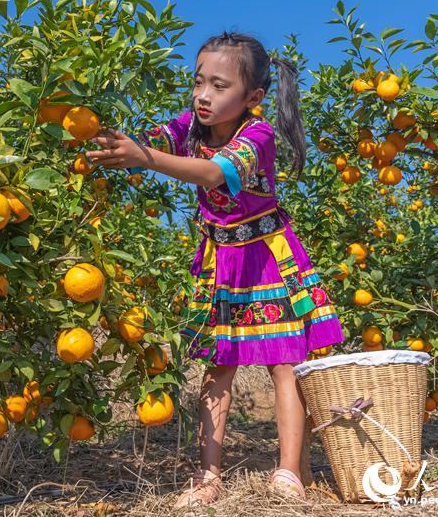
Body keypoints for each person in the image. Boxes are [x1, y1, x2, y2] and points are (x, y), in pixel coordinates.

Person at [85, 31, 345, 506]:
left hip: (267, 255)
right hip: (221, 259)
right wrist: (102, 136)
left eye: (219, 86)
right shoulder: (190, 127)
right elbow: (151, 141)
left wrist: (145, 158)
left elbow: (215, 173)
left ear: (253, 97)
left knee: (283, 361)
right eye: (199, 82)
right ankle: (208, 476)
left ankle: (289, 471)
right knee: (219, 363)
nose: (203, 95)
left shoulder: (257, 135)